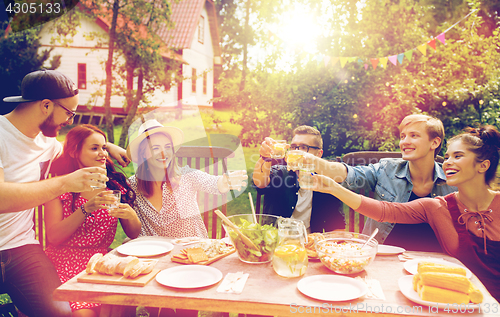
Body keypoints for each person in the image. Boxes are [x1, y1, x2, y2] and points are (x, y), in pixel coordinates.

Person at [309, 125, 500, 301]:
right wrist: (334, 187)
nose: (448, 163)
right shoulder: (436, 206)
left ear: (483, 165)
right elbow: (385, 210)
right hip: (460, 302)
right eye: (448, 157)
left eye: (457, 156)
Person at [0, 69, 126, 317]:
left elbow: (75, 145)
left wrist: (107, 145)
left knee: (63, 312)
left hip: (22, 246)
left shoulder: (47, 143)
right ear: (46, 105)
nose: (70, 120)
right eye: (69, 113)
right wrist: (64, 184)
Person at [299, 115, 456, 251]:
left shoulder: (453, 181)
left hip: (433, 260)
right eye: (402, 136)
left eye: (414, 135)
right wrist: (316, 163)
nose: (405, 142)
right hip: (381, 255)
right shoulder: (386, 169)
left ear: (434, 142)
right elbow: (351, 174)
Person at [44, 124, 141, 316]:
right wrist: (86, 208)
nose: (102, 154)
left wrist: (131, 215)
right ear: (74, 152)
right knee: (85, 313)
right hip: (65, 261)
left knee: (120, 305)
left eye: (104, 148)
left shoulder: (113, 185)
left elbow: (133, 233)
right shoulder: (60, 186)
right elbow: (54, 237)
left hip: (101, 261)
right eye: (94, 148)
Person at [127, 119, 247, 238]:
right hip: (154, 254)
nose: (164, 153)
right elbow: (132, 230)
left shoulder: (187, 176)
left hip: (193, 249)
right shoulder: (132, 185)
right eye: (156, 148)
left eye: (168, 147)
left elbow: (213, 183)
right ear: (142, 153)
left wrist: (224, 182)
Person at [252, 125, 345, 233]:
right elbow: (261, 182)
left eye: (303, 147)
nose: (296, 152)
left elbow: (338, 229)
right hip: (275, 243)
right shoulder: (280, 173)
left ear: (319, 154)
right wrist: (265, 157)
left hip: (308, 244)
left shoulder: (327, 183)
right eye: (293, 147)